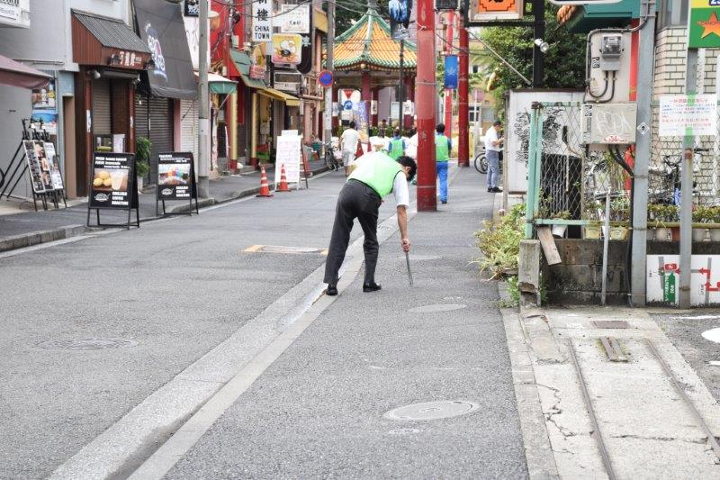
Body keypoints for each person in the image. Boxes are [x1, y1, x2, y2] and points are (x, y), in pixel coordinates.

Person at [324, 152, 417, 296]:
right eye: (408, 178)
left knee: (339, 237)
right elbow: (401, 210)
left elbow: (354, 167)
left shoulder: (377, 157)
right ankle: (369, 282)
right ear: (408, 169)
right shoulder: (400, 172)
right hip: (368, 197)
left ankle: (331, 284)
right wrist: (404, 237)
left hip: (347, 189)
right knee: (371, 240)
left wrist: (374, 192)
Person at [484, 120, 504, 193]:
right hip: (492, 153)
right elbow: (494, 143)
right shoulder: (492, 132)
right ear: (497, 126)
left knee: (490, 171)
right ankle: (494, 187)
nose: (500, 129)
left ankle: (489, 186)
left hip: (489, 152)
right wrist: (501, 140)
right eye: (500, 127)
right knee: (495, 171)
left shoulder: (490, 131)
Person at [435, 123, 451, 204]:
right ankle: (443, 198)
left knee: (432, 181)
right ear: (444, 130)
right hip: (444, 162)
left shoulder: (434, 139)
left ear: (436, 130)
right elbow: (450, 148)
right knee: (443, 181)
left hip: (434, 162)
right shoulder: (446, 139)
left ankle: (432, 197)